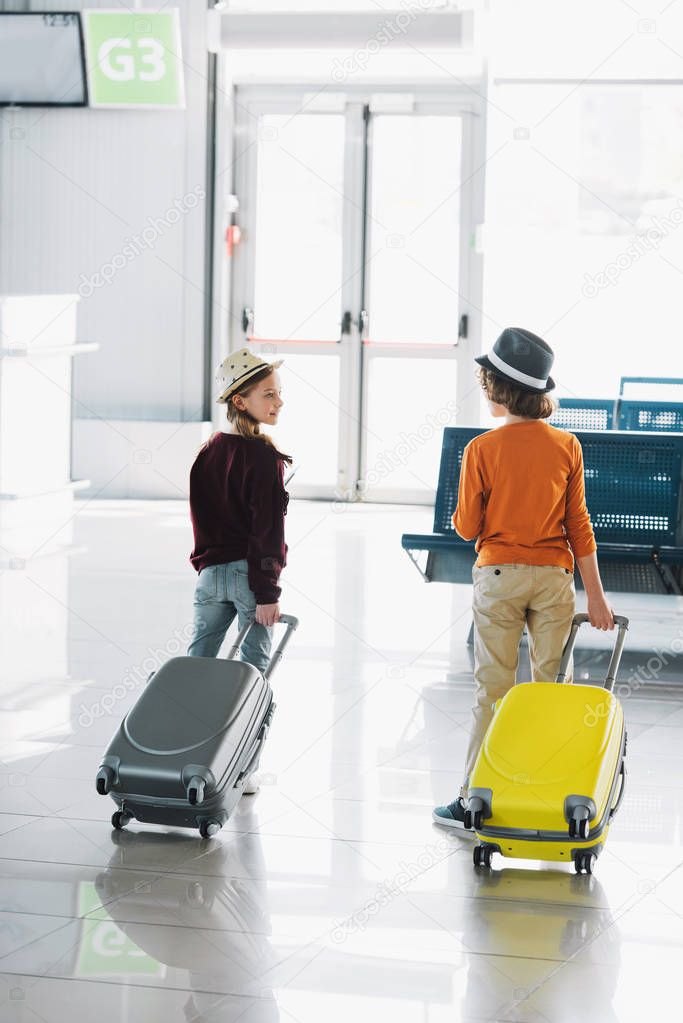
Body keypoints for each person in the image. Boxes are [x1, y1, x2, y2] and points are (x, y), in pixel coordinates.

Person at [432, 327, 614, 833]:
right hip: (554, 580)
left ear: (497, 388)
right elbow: (580, 526)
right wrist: (595, 598)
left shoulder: (482, 450)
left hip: (497, 576)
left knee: (493, 690)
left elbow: (468, 527)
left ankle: (473, 799)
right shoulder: (567, 446)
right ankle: (554, 795)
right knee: (553, 689)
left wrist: (470, 518)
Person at [186, 349, 292, 794]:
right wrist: (267, 590)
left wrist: (207, 566)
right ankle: (243, 769)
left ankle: (185, 748)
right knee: (253, 675)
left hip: (210, 576)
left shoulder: (209, 450)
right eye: (268, 394)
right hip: (251, 580)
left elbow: (199, 516)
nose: (278, 402)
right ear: (241, 400)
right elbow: (266, 531)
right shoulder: (264, 460)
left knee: (195, 667)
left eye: (279, 394)